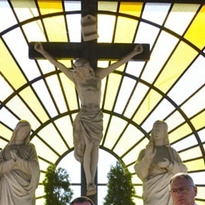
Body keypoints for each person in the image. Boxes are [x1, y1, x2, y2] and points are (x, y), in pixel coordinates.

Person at [33, 42, 143, 196]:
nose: (80, 71)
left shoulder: (98, 76)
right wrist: (42, 51)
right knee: (89, 146)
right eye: (78, 69)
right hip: (85, 116)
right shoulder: (76, 78)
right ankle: (90, 180)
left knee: (95, 146)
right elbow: (57, 64)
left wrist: (134, 53)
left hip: (96, 116)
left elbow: (118, 64)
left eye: (82, 67)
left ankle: (91, 180)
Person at [134, 120, 187, 205]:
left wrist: (169, 165)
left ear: (165, 133)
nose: (156, 132)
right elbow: (141, 174)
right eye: (155, 129)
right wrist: (147, 158)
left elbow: (183, 171)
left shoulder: (171, 152)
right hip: (152, 192)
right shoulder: (145, 152)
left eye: (159, 129)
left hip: (168, 192)